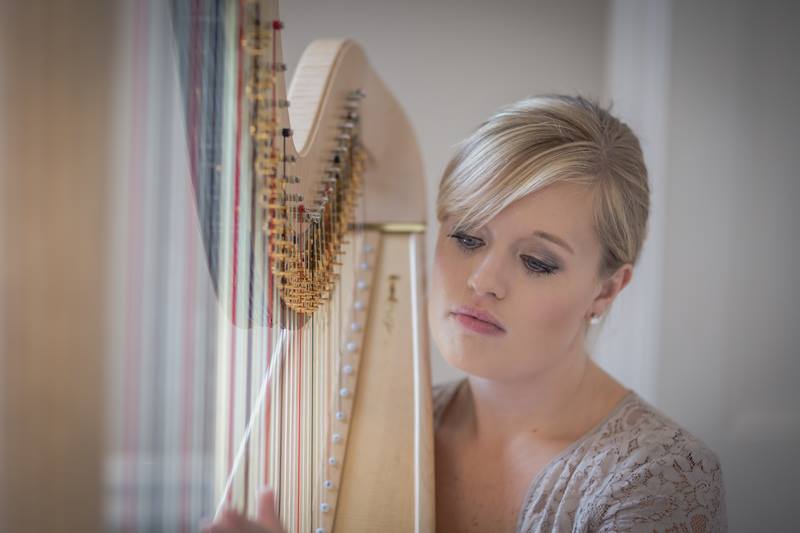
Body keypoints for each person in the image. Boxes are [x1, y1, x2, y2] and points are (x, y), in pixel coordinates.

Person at [204, 94, 728, 532]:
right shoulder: (384, 425)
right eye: (468, 237)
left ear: (607, 290)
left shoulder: (660, 477)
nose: (483, 280)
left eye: (537, 262)